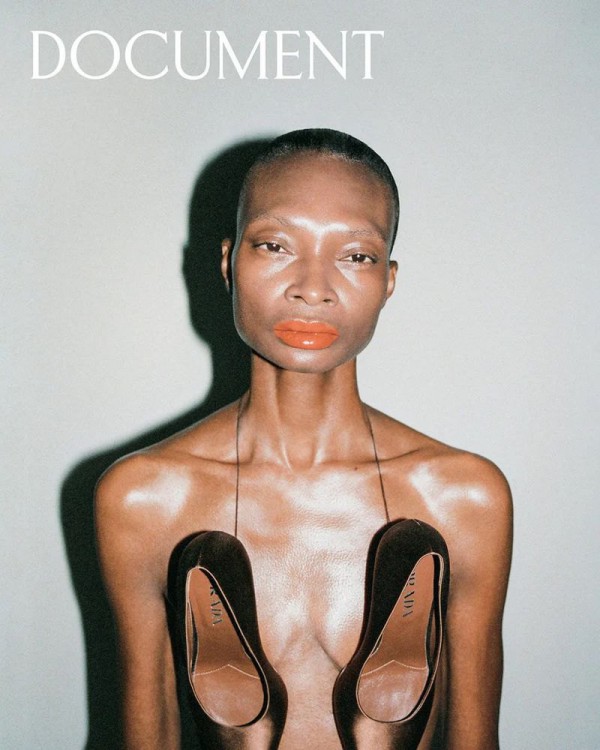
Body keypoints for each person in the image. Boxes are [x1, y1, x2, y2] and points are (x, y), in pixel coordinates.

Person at [95, 128, 513, 750]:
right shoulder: (144, 500)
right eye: (275, 245)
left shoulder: (463, 498)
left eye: (356, 256)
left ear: (388, 281)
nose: (313, 287)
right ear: (229, 263)